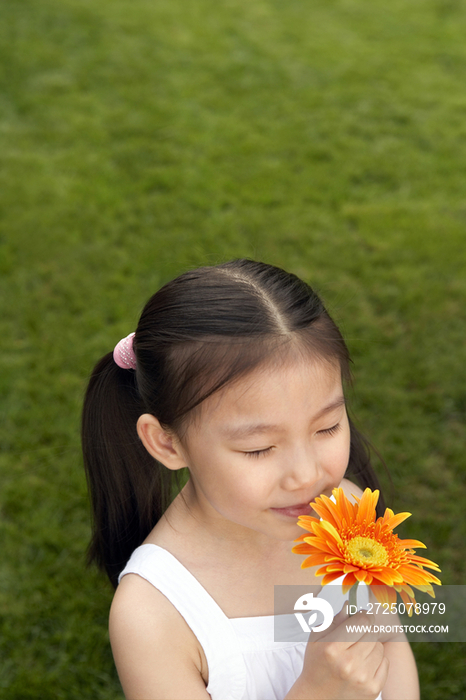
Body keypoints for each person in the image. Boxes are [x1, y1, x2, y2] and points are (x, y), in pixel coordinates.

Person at [82, 259, 420, 700]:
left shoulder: (347, 513)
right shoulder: (152, 615)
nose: (307, 476)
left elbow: (390, 642)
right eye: (258, 449)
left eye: (327, 428)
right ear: (167, 443)